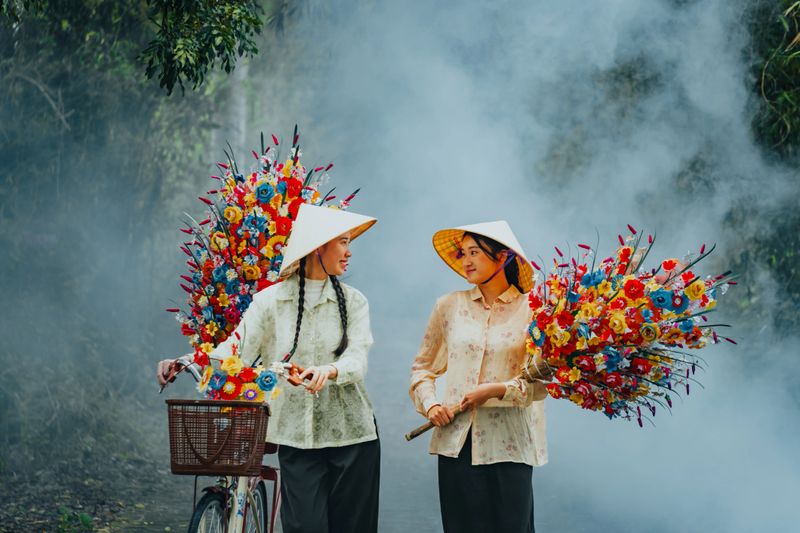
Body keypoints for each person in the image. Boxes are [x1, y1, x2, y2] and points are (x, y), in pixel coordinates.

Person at [158, 203, 381, 533]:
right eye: (343, 242)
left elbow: (357, 357)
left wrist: (329, 371)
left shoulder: (354, 301)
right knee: (304, 526)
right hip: (295, 436)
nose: (349, 252)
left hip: (353, 435)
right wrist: (188, 359)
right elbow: (236, 347)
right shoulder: (270, 301)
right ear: (318, 246)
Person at [409, 221, 550, 533]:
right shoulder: (448, 306)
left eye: (475, 252)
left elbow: (539, 384)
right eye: (463, 253)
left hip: (510, 445)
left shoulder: (535, 311)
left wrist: (496, 390)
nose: (466, 260)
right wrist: (432, 405)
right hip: (456, 442)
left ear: (502, 258)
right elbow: (422, 369)